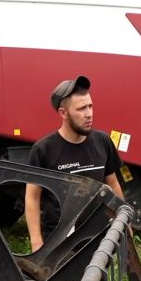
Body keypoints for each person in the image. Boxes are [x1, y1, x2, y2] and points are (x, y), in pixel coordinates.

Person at [25, 75, 123, 250]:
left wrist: (124, 224)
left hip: (98, 241)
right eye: (82, 108)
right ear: (63, 113)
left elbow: (113, 185)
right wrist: (36, 243)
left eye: (90, 106)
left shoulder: (103, 141)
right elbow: (32, 198)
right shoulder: (43, 150)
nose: (89, 114)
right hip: (59, 245)